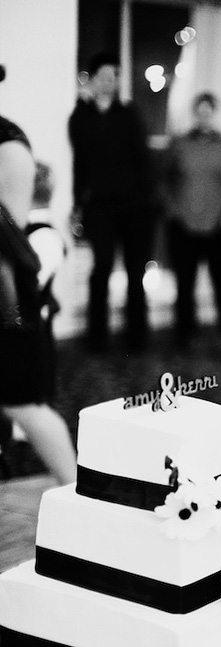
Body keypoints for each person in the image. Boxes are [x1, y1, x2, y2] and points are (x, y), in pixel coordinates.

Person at [0, 107, 76, 485]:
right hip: (22, 316)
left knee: (31, 397)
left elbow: (32, 279)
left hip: (28, 322)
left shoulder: (43, 236)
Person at [69, 51, 154, 352]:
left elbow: (143, 159)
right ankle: (97, 337)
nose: (110, 82)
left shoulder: (129, 114)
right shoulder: (80, 117)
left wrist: (147, 200)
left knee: (135, 271)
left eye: (114, 77)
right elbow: (79, 164)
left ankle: (137, 336)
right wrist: (78, 204)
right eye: (104, 77)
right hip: (99, 207)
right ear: (92, 79)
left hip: (134, 205)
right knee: (101, 268)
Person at [161, 91, 221, 355]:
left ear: (214, 113)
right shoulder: (179, 144)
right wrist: (173, 211)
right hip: (184, 226)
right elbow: (164, 181)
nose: (203, 116)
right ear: (194, 113)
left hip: (219, 227)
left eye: (208, 111)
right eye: (199, 111)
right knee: (184, 285)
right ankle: (185, 335)